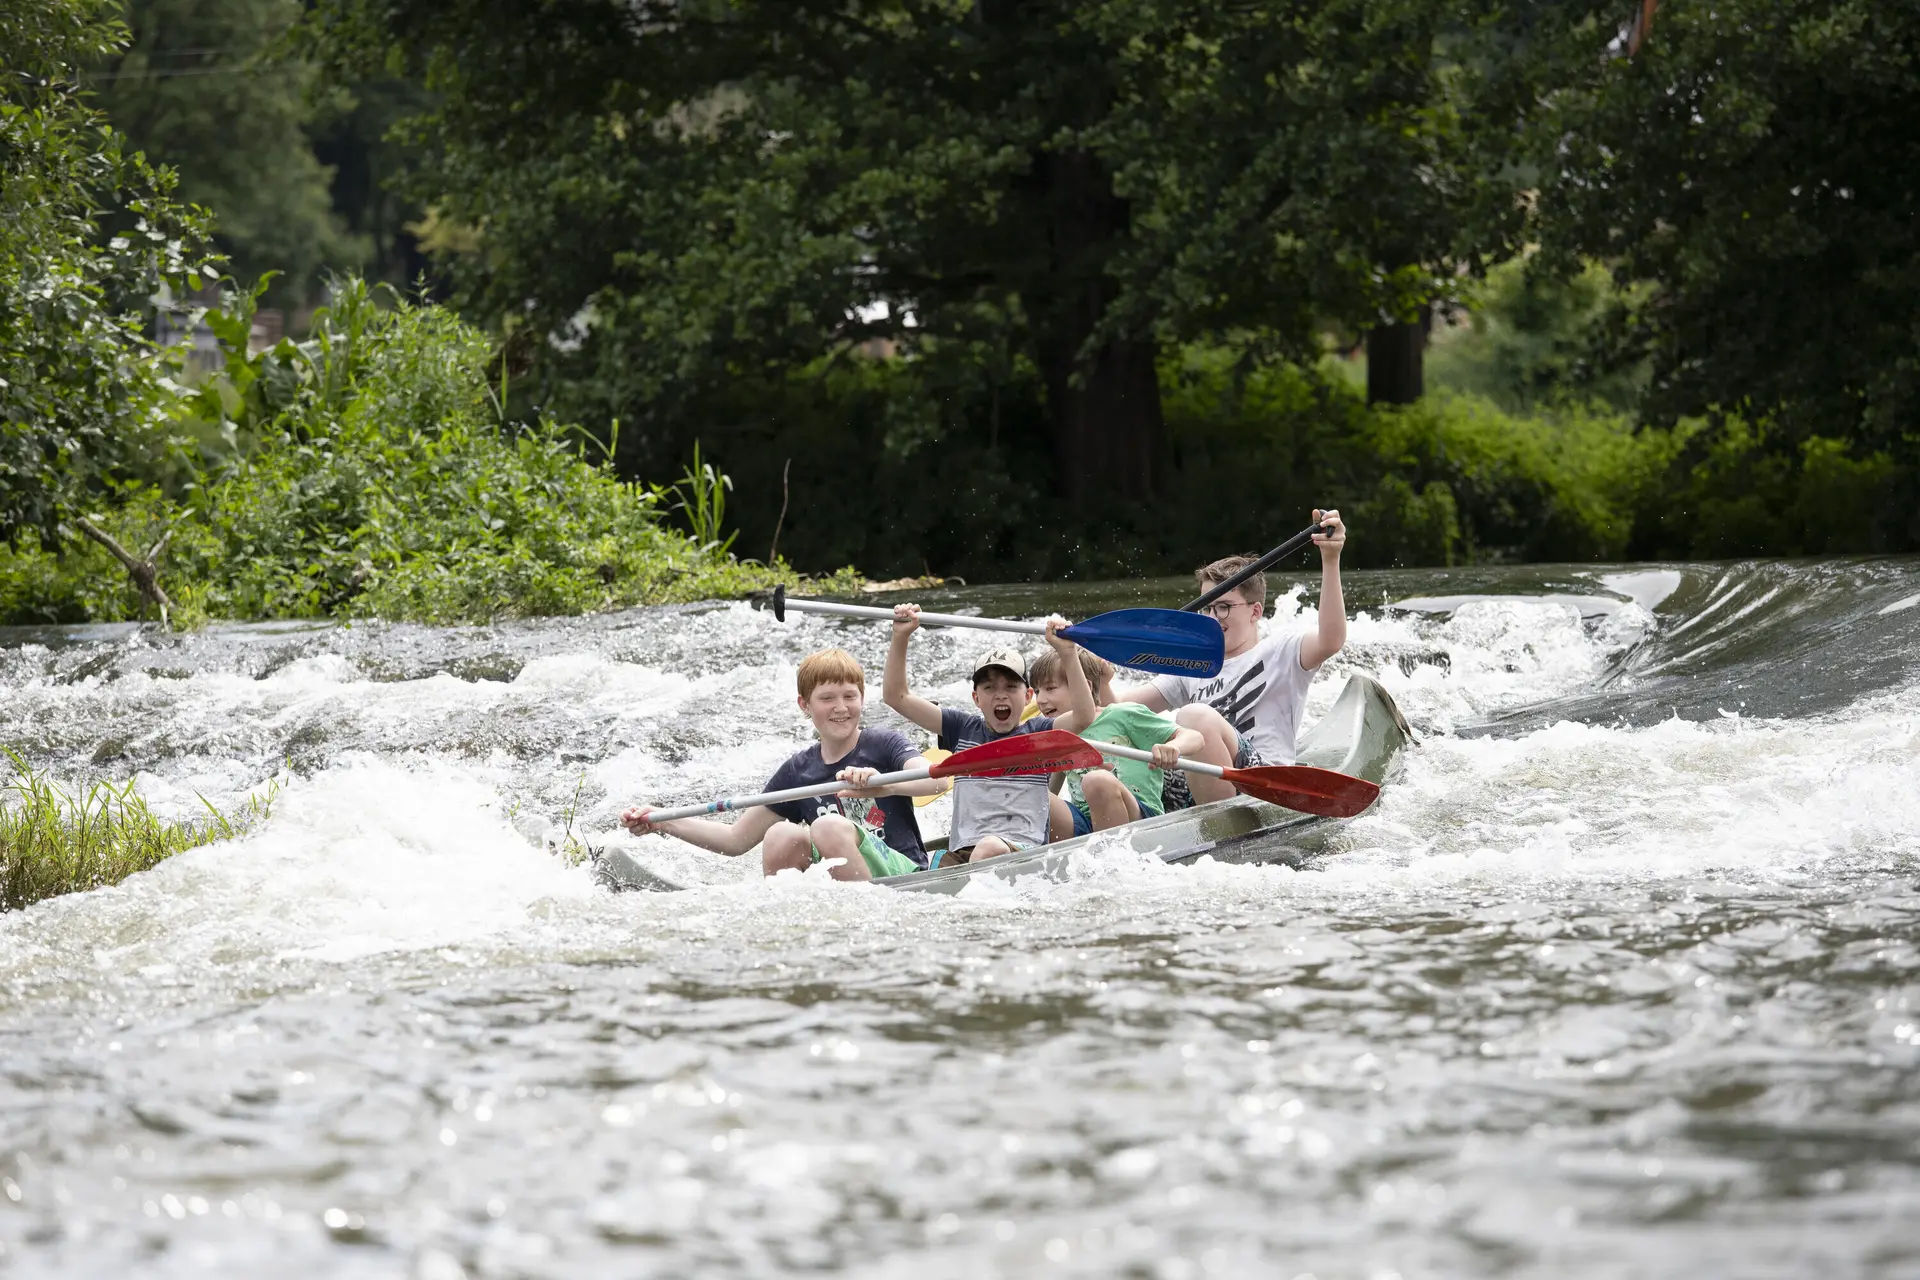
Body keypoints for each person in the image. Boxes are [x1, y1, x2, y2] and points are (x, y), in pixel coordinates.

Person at [618, 648, 941, 880]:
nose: (841, 708)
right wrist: (662, 822)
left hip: (903, 871)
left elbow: (935, 781)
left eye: (849, 696)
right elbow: (735, 840)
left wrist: (884, 783)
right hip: (836, 882)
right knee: (780, 833)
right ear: (805, 705)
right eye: (827, 698)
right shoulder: (798, 771)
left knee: (826, 826)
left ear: (861, 698)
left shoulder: (883, 743)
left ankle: (863, 914)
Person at [1118, 508, 1349, 806]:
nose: (1214, 618)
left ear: (1255, 611)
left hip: (1262, 783)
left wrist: (1331, 559)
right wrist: (1076, 662)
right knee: (1120, 742)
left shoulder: (1283, 650)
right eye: (1208, 607)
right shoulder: (1192, 666)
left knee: (1194, 716)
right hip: (1198, 784)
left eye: (1224, 607)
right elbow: (1119, 708)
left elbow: (1331, 640)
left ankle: (1220, 826)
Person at [884, 606, 1096, 864]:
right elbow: (897, 697)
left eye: (1010, 686)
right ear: (976, 698)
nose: (1000, 694)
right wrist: (900, 637)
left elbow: (1084, 716)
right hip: (962, 852)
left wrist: (1068, 653)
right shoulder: (960, 728)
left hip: (1022, 851)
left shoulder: (1040, 732)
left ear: (1028, 696)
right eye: (989, 687)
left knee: (989, 847)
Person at [1029, 646, 1207, 839]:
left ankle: (1111, 861)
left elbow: (1195, 737)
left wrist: (1173, 747)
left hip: (1140, 819)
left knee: (1097, 780)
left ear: (1085, 687)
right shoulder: (1059, 734)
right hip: (1087, 823)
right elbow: (1051, 790)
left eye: (1050, 688)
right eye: (1037, 691)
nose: (1040, 700)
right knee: (1029, 792)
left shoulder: (1122, 714)